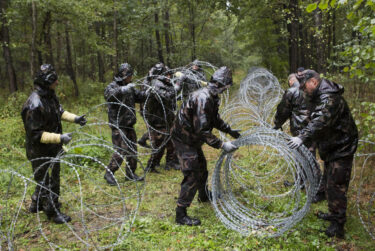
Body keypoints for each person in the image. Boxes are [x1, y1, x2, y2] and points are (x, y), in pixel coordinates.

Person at [288, 70, 358, 238]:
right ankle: (334, 214)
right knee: (328, 183)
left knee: (336, 186)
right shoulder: (316, 95)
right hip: (332, 146)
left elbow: (320, 120)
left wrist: (302, 137)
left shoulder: (329, 98)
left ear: (313, 82)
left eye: (304, 86)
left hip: (341, 147)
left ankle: (338, 226)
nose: (303, 89)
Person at [171, 66, 241, 226]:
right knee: (192, 173)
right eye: (227, 86)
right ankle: (180, 214)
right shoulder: (203, 98)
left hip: (192, 137)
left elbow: (214, 119)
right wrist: (222, 144)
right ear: (223, 85)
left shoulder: (211, 96)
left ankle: (203, 195)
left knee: (202, 166)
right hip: (184, 138)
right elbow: (202, 128)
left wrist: (230, 130)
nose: (227, 89)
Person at [22, 64, 87, 224]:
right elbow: (36, 134)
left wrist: (75, 118)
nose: (57, 83)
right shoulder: (34, 105)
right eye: (54, 80)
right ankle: (53, 211)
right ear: (47, 81)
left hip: (52, 148)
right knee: (50, 181)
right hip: (40, 150)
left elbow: (59, 111)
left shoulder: (49, 96)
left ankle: (36, 204)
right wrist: (59, 138)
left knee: (43, 178)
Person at [274, 70, 319, 189]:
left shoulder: (291, 92)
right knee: (310, 156)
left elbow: (283, 111)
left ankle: (307, 185)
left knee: (302, 157)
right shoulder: (314, 91)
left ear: (290, 81)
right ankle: (310, 184)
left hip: (300, 130)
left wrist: (277, 124)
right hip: (314, 128)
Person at [104, 63, 146, 185]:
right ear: (124, 75)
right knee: (121, 150)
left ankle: (130, 173)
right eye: (129, 75)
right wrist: (123, 90)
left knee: (133, 150)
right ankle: (109, 173)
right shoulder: (112, 86)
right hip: (118, 124)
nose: (131, 78)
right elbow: (109, 96)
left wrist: (150, 92)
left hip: (129, 124)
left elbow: (140, 96)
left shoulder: (130, 86)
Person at [144, 63, 179, 172]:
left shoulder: (164, 83)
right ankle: (150, 166)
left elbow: (171, 99)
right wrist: (178, 85)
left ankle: (170, 162)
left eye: (170, 75)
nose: (169, 77)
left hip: (167, 118)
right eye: (167, 75)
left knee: (171, 142)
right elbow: (166, 97)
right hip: (158, 120)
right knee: (160, 145)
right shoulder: (156, 84)